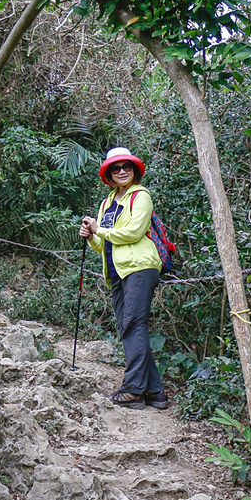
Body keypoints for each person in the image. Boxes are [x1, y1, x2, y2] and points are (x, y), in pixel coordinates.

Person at [80, 146, 169, 411]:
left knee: (133, 324)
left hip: (140, 267)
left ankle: (133, 391)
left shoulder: (141, 196)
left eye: (126, 167)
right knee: (128, 327)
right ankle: (156, 393)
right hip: (116, 272)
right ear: (108, 174)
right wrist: (91, 235)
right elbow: (102, 245)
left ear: (134, 170)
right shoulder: (106, 203)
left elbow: (133, 232)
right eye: (115, 168)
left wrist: (100, 229)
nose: (121, 171)